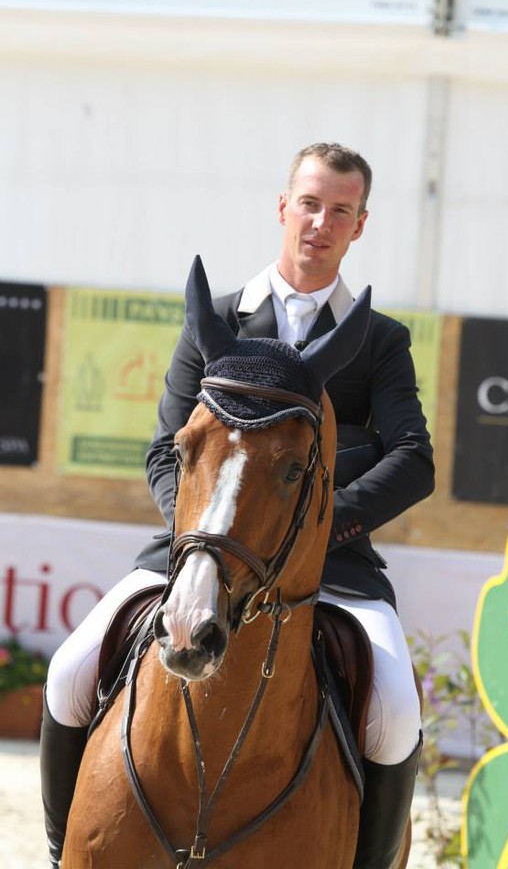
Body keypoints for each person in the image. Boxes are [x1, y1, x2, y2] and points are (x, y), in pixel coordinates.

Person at [40, 142, 434, 869]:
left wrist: (324, 526)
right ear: (284, 208)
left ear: (360, 224)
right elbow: (166, 450)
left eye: (340, 210)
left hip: (331, 563)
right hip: (198, 552)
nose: (321, 221)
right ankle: (66, 848)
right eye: (310, 204)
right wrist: (203, 537)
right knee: (69, 670)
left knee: (395, 715)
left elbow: (415, 460)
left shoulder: (379, 341)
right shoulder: (216, 319)